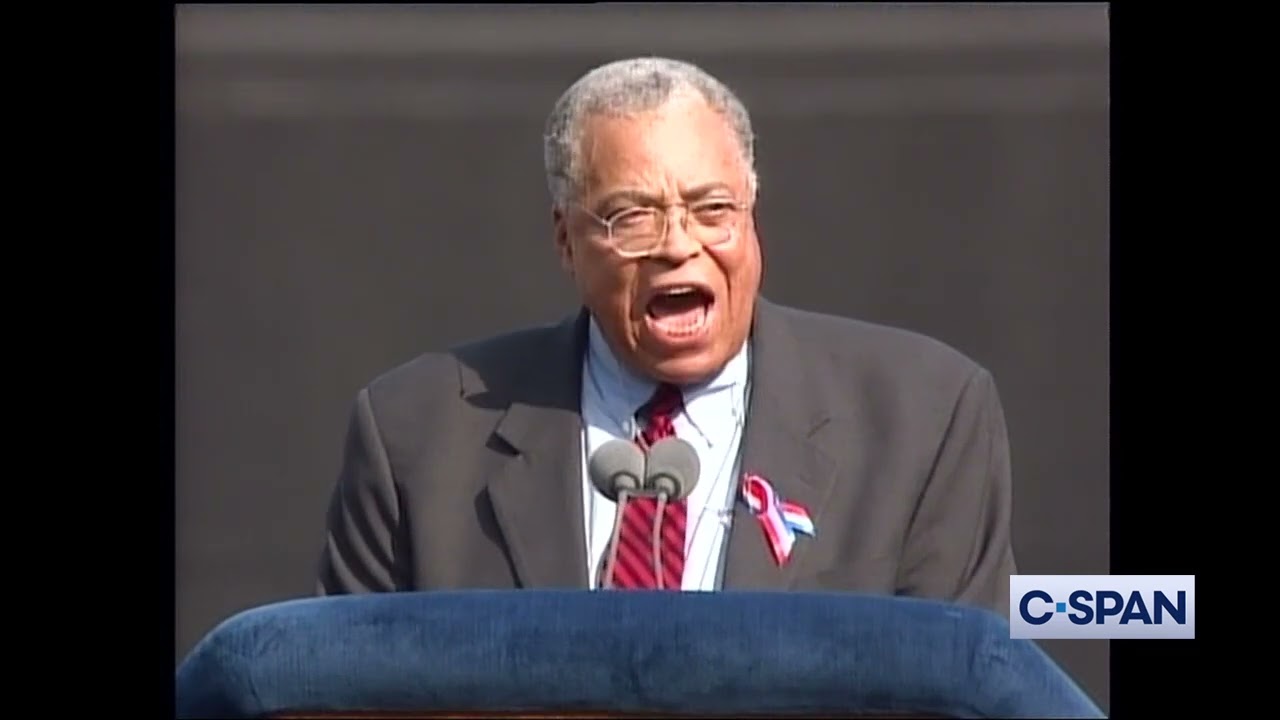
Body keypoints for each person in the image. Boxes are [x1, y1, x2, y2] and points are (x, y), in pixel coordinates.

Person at [315, 56, 1018, 618]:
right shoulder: (418, 435)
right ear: (566, 239)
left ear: (751, 217)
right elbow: (340, 691)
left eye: (712, 209)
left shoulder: (923, 417)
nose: (678, 245)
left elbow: (964, 684)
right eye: (633, 217)